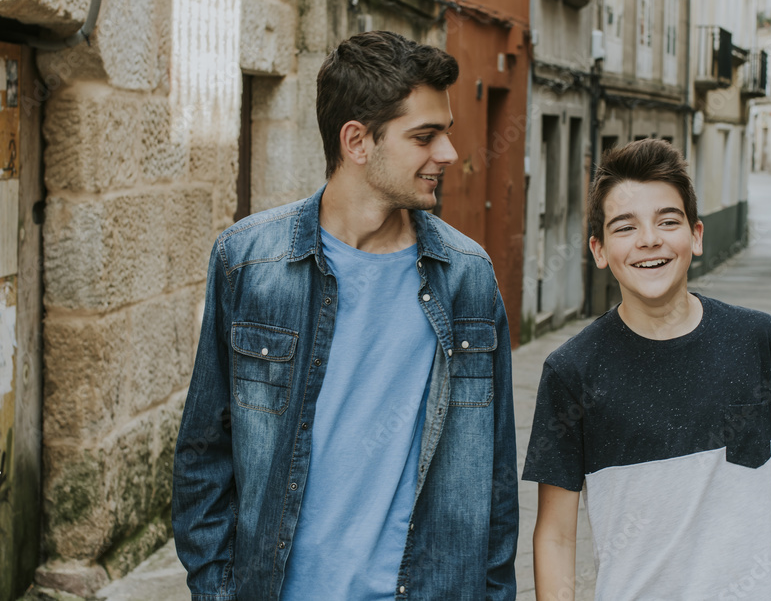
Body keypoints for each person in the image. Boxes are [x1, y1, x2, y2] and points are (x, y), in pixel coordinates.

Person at [172, 30, 518, 600]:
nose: (449, 155)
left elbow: (496, 482)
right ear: (357, 140)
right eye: (424, 137)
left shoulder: (467, 277)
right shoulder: (249, 262)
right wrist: (216, 590)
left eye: (446, 135)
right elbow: (203, 454)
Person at [523, 139, 771, 601]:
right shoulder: (572, 371)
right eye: (625, 227)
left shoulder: (760, 341)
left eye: (667, 221)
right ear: (599, 250)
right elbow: (555, 533)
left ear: (695, 236)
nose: (649, 240)